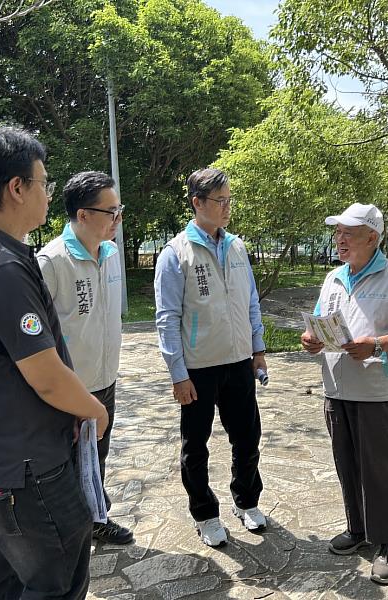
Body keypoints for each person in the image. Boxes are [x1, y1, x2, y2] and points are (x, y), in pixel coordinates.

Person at [0, 127, 108, 599]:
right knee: (57, 580)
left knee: (2, 582)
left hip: (4, 460)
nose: (48, 194)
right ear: (16, 188)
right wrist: (94, 410)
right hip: (29, 467)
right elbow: (46, 377)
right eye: (43, 183)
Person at [300, 202, 388, 586]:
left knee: (381, 471)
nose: (339, 239)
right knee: (347, 464)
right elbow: (319, 323)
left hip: (378, 391)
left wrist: (376, 344)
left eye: (349, 233)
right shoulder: (334, 278)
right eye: (337, 232)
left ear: (372, 237)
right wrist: (311, 339)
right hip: (337, 389)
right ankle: (358, 529)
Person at [154, 167, 267, 547]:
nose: (227, 207)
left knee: (247, 437)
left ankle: (246, 500)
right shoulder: (175, 253)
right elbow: (167, 317)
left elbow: (251, 301)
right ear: (197, 203)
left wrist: (257, 350)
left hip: (238, 361)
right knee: (195, 446)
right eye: (220, 201)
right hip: (198, 368)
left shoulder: (236, 247)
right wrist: (178, 373)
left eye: (229, 200)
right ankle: (204, 513)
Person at [37, 171, 133, 545]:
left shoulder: (110, 254)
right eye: (111, 211)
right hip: (70, 387)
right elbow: (40, 336)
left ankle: (95, 520)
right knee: (68, 462)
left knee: (97, 457)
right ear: (83, 214)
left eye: (119, 210)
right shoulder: (52, 262)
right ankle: (69, 534)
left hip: (105, 377)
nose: (117, 219)